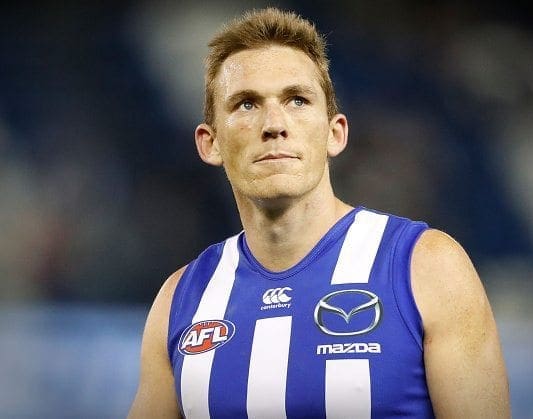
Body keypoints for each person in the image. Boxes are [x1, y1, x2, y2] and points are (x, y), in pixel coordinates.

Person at [128, 7, 510, 419]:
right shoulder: (180, 299)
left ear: (335, 133)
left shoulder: (428, 268)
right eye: (246, 104)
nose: (275, 124)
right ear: (210, 143)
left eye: (297, 100)